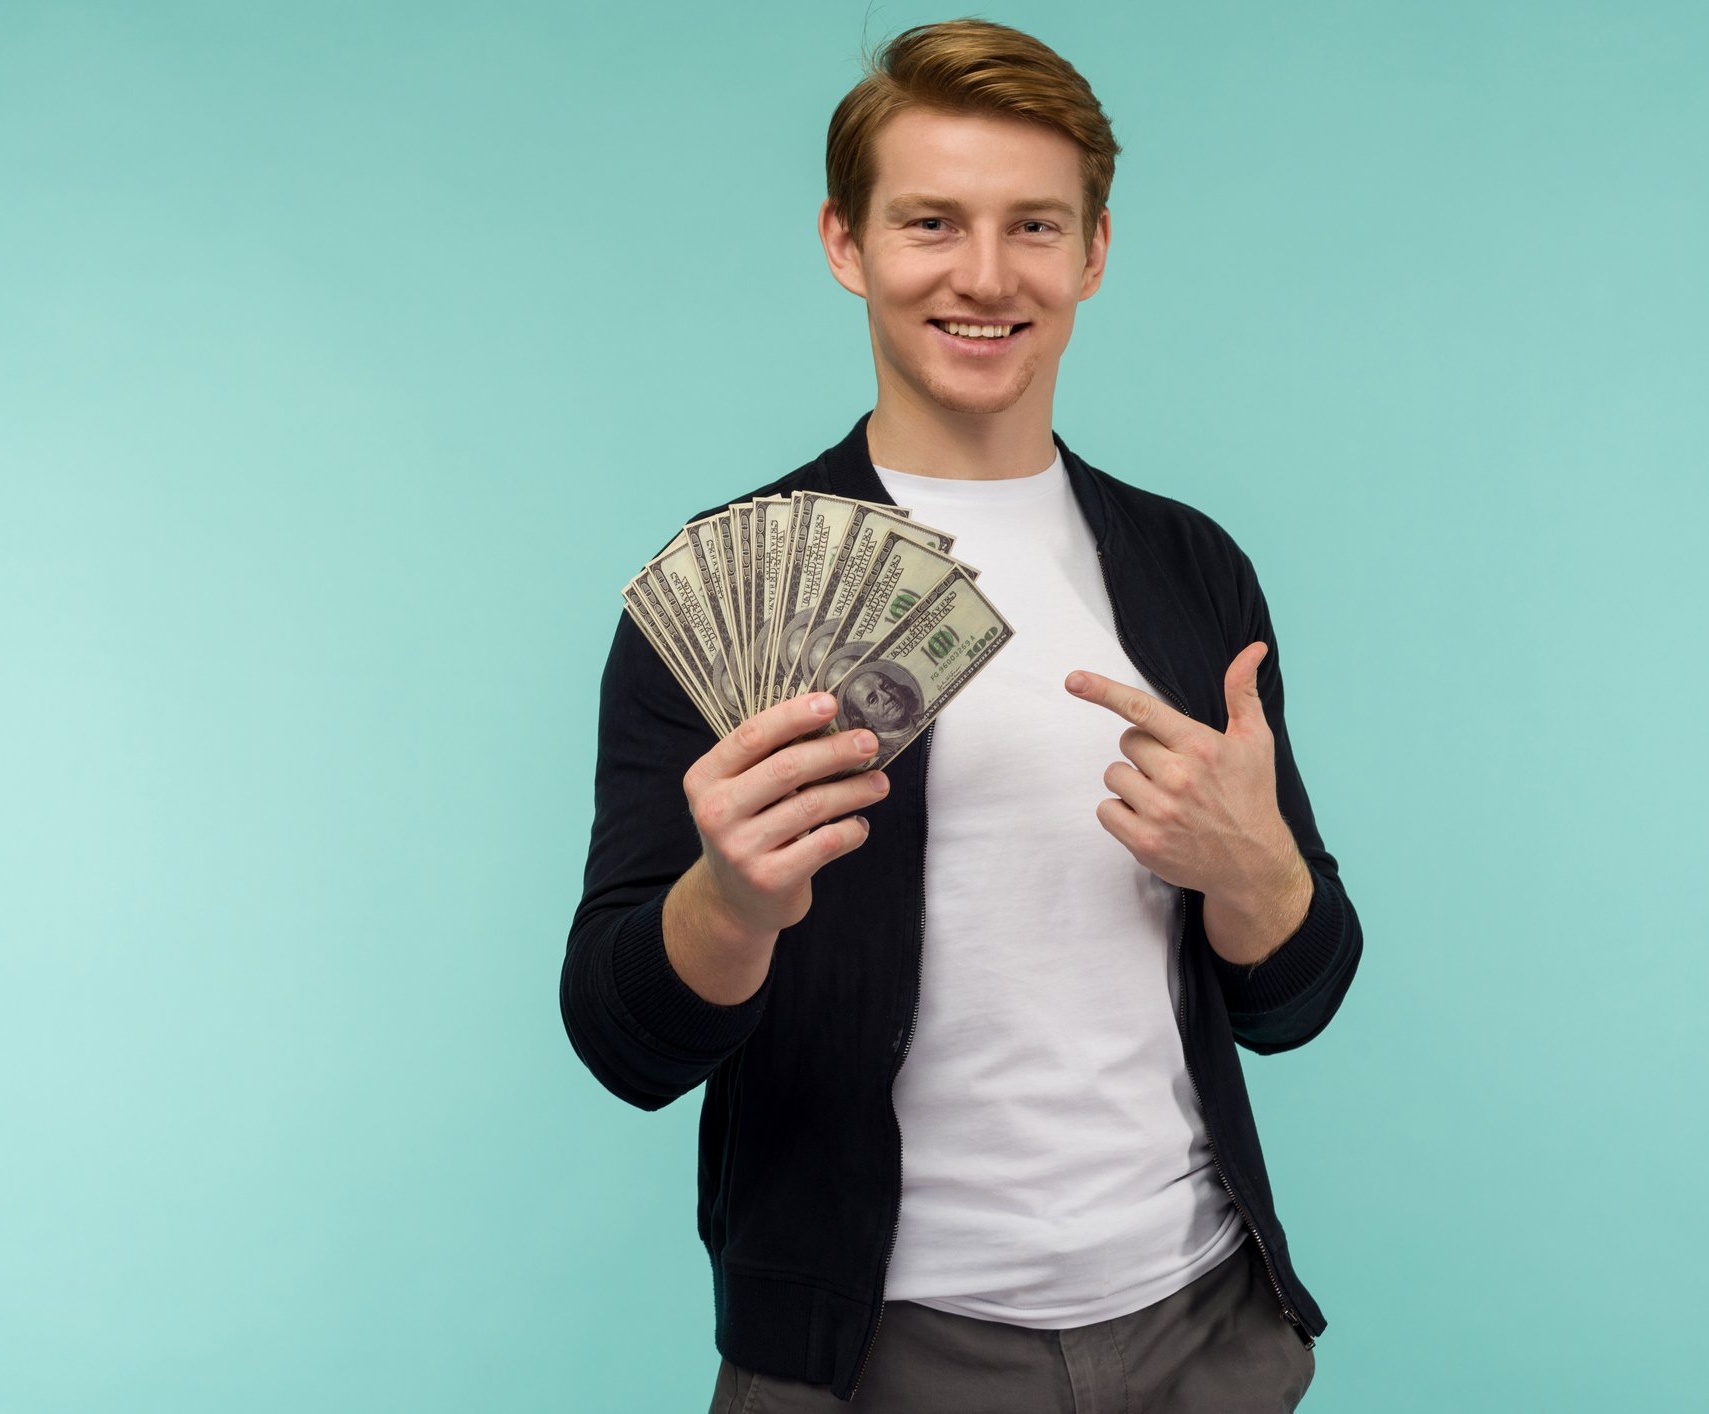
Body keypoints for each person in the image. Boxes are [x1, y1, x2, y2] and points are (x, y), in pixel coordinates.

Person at [562, 19, 1363, 1412]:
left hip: (1203, 1326)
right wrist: (732, 900)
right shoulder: (726, 585)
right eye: (930, 221)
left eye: (1034, 226)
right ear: (845, 243)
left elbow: (1298, 994)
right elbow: (621, 1037)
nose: (985, 275)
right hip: (871, 1346)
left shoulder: (1191, 568)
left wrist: (1259, 874)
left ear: (1094, 254)